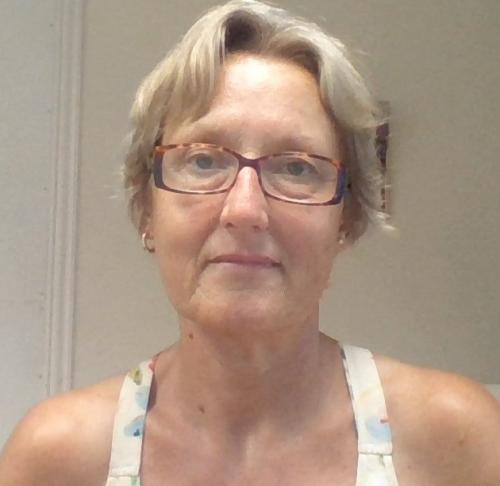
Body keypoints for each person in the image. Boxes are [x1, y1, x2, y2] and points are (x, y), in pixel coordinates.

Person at [1, 1, 499, 484]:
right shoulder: (57, 459)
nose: (244, 210)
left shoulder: (458, 442)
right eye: (202, 160)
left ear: (346, 218)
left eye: (297, 168)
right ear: (147, 207)